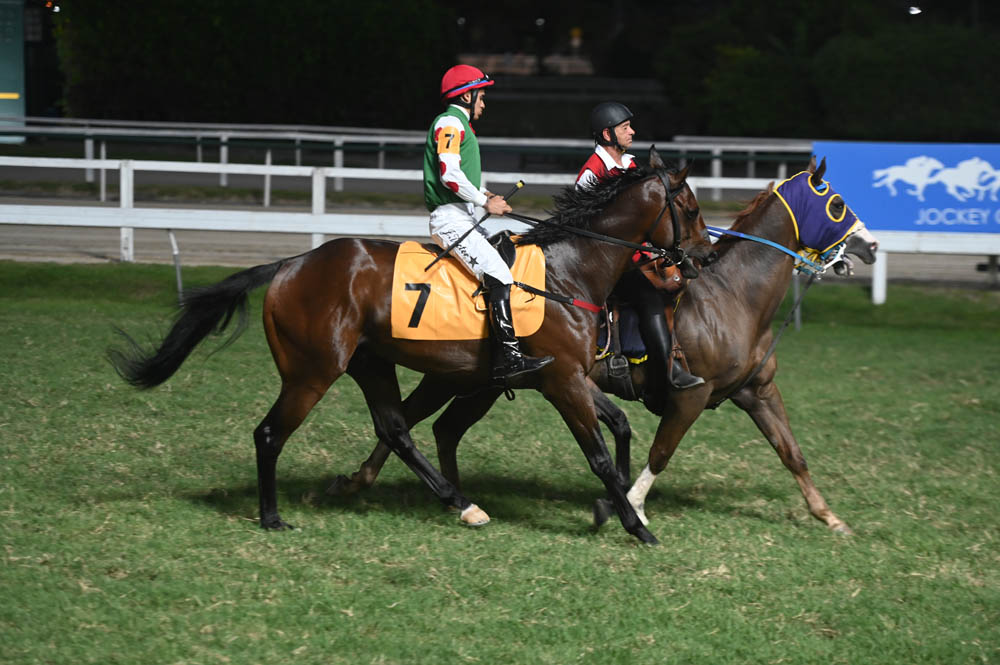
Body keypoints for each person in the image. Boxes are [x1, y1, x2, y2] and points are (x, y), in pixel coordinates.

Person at [424, 64, 553, 383]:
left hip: (461, 215)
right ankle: (508, 358)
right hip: (450, 219)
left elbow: (462, 178)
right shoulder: (451, 122)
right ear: (466, 96)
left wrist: (487, 195)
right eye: (481, 96)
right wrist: (485, 202)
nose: (484, 102)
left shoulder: (459, 125)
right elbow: (449, 175)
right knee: (498, 273)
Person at [577, 102, 704, 392]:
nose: (632, 132)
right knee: (650, 297)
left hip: (631, 257)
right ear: (607, 134)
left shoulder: (631, 167)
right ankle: (667, 371)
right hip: (603, 265)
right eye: (625, 128)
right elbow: (586, 230)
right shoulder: (591, 174)